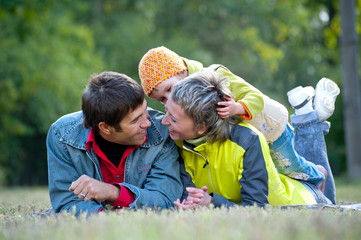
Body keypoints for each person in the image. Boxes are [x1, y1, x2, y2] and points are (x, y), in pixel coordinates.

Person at [138, 46, 339, 204]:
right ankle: (307, 115)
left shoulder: (215, 77)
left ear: (182, 70)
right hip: (252, 135)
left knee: (291, 166)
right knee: (277, 172)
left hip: (270, 129)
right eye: (162, 100)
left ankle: (317, 172)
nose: (169, 99)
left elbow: (255, 97)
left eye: (170, 89)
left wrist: (236, 107)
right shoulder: (187, 106)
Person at [46, 71, 183, 216]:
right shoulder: (62, 135)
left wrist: (112, 192)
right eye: (136, 120)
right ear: (105, 127)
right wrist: (104, 217)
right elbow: (66, 202)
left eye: (145, 111)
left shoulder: (162, 131)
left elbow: (166, 200)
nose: (147, 123)